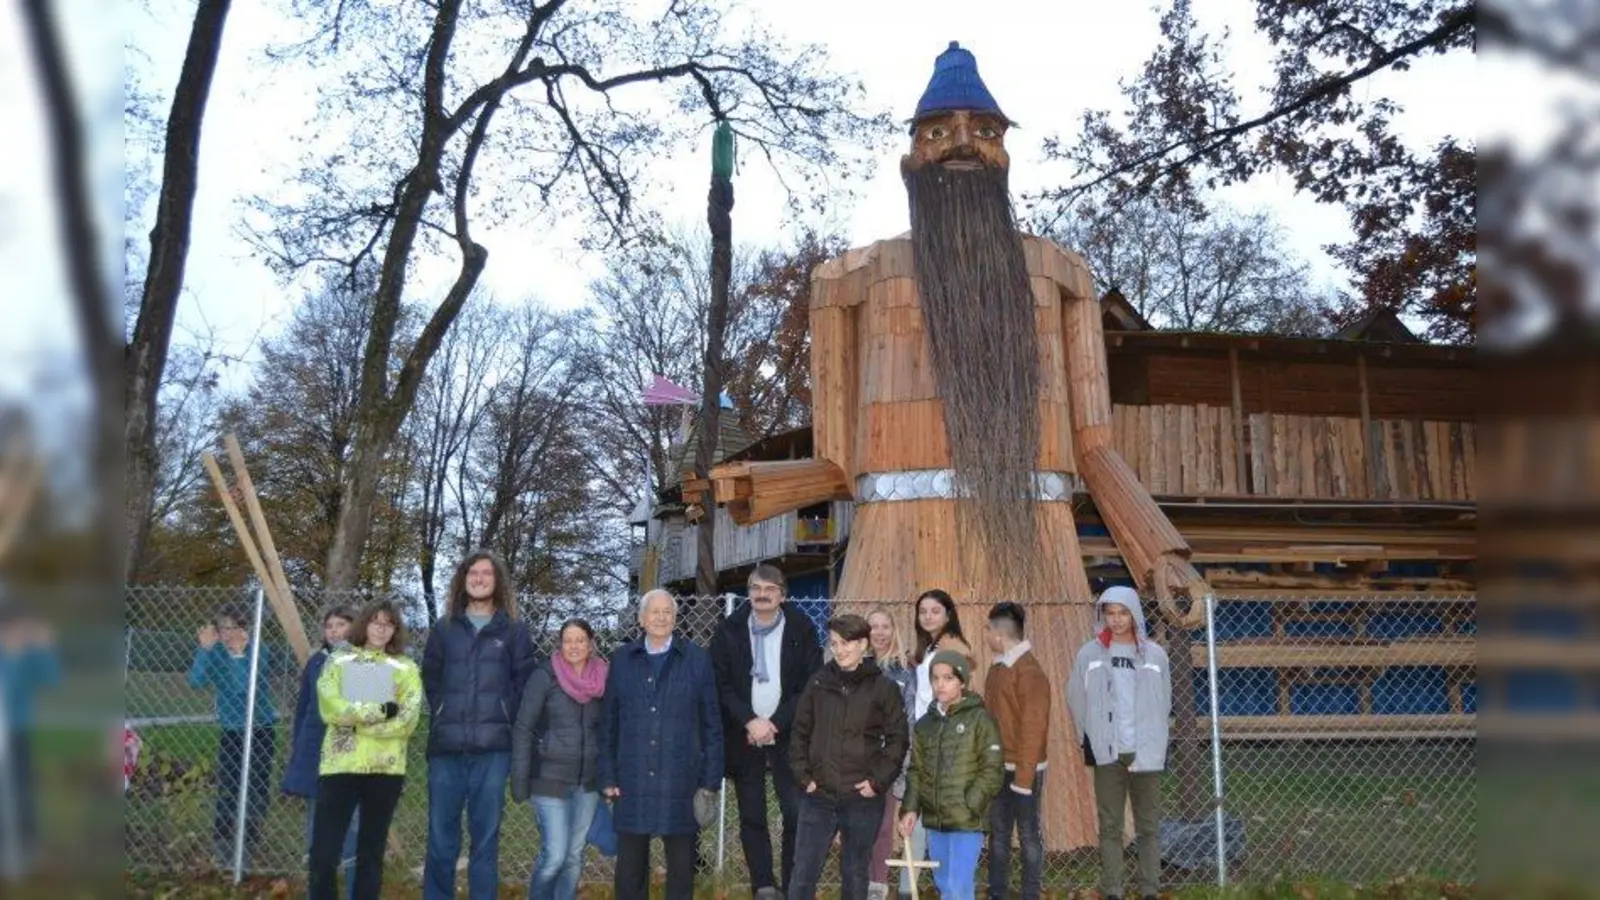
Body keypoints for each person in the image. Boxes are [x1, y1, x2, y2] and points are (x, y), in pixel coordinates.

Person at [422, 550, 538, 900]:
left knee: (485, 838)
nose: (479, 578)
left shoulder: (515, 631)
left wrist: (505, 716)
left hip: (493, 751)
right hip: (446, 750)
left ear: (497, 581)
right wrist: (443, 709)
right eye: (473, 572)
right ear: (463, 579)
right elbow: (430, 677)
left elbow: (525, 683)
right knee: (441, 837)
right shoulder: (444, 629)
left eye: (487, 573)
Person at [709, 564, 824, 900]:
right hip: (744, 735)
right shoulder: (729, 629)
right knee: (752, 814)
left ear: (782, 595)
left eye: (770, 589)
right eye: (756, 588)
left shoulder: (801, 628)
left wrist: (775, 722)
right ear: (749, 591)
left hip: (788, 734)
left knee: (795, 811)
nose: (762, 595)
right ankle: (763, 884)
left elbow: (810, 682)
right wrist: (750, 720)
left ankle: (792, 885)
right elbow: (722, 682)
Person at [599, 590, 722, 900]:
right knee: (630, 869)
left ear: (675, 618)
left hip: (681, 779)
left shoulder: (697, 659)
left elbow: (712, 724)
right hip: (632, 777)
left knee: (681, 869)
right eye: (654, 611)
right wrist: (608, 775)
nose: (661, 617)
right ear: (641, 619)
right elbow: (608, 724)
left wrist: (709, 781)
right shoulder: (622, 660)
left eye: (668, 611)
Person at [786, 615, 909, 900]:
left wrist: (877, 782)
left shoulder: (883, 687)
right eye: (834, 643)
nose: (840, 650)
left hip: (861, 798)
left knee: (855, 873)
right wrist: (804, 777)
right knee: (803, 872)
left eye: (847, 643)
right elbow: (800, 732)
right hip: (818, 795)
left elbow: (898, 739)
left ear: (864, 644)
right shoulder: (817, 682)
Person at [308, 600, 423, 900]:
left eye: (388, 623)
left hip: (385, 769)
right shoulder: (341, 661)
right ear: (364, 624)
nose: (381, 628)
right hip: (340, 765)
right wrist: (382, 710)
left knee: (370, 855)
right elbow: (331, 708)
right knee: (323, 855)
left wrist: (359, 720)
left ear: (395, 630)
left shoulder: (405, 667)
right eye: (375, 621)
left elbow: (407, 720)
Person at [1066, 586, 1171, 900]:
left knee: (1148, 825)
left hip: (1146, 753)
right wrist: (1089, 736)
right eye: (1109, 613)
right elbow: (1076, 698)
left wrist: (1155, 738)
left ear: (1135, 614)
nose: (1116, 619)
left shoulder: (1155, 655)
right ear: (1102, 616)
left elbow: (1165, 702)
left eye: (1123, 612)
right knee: (1110, 825)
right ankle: (1114, 889)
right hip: (1107, 752)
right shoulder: (1090, 654)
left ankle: (1150, 888)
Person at [510, 618, 608, 900]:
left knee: (574, 855)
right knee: (554, 856)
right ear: (560, 644)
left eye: (580, 640)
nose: (574, 646)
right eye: (568, 640)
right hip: (548, 779)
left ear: (590, 644)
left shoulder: (603, 677)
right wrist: (519, 778)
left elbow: (610, 727)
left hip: (587, 781)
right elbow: (523, 727)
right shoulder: (545, 676)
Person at [898, 650, 1002, 900]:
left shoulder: (980, 719)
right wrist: (910, 809)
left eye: (948, 678)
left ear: (962, 682)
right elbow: (916, 770)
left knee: (957, 886)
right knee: (946, 885)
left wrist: (971, 804)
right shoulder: (925, 725)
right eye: (935, 678)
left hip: (967, 821)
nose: (940, 684)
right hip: (935, 821)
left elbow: (993, 768)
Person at [187, 601, 278, 867]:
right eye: (222, 628)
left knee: (255, 789)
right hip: (232, 732)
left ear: (246, 629)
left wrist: (239, 655)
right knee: (228, 788)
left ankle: (248, 845)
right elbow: (196, 681)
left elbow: (242, 688)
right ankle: (223, 845)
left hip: (260, 730)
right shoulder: (215, 652)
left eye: (233, 628)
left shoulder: (260, 651)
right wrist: (204, 649)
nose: (227, 634)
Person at [283, 604, 361, 897]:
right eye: (329, 626)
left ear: (355, 628)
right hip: (317, 758)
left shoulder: (366, 662)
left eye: (341, 625)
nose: (334, 631)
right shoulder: (316, 662)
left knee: (354, 832)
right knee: (317, 833)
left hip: (353, 760)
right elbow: (304, 710)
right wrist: (300, 751)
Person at [982, 602, 1051, 900]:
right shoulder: (997, 668)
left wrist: (1024, 780)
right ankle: (998, 892)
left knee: (1027, 835)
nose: (986, 635)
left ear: (998, 634)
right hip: (999, 766)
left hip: (1025, 771)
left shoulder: (1029, 672)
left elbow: (1034, 729)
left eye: (988, 629)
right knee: (997, 835)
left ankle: (1030, 893)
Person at [0, 604, 59, 871]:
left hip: (19, 731)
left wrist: (45, 647)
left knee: (22, 790)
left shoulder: (30, 654)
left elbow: (52, 680)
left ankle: (24, 848)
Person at [863, 609, 916, 900]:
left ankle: (878, 884)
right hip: (856, 760)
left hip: (887, 761)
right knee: (858, 824)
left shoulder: (904, 671)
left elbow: (908, 721)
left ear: (894, 630)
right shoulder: (855, 665)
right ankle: (857, 877)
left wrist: (900, 763)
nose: (880, 632)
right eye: (874, 627)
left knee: (883, 825)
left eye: (886, 626)